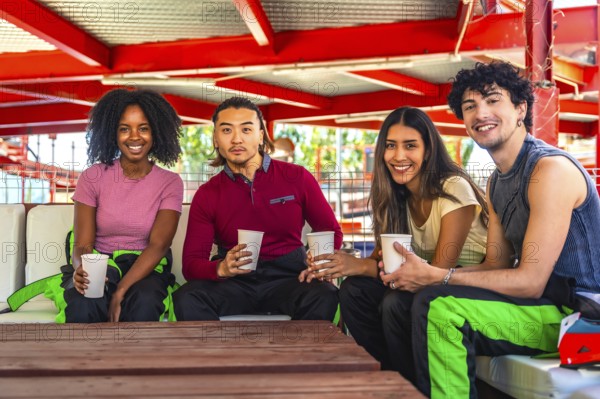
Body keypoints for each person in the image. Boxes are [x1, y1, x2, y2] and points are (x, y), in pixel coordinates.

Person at [382, 61, 600, 398]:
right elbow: (496, 265)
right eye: (470, 106)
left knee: (440, 305)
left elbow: (529, 281)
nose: (481, 113)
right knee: (410, 300)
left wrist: (437, 276)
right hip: (542, 308)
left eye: (493, 100)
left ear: (520, 108)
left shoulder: (549, 170)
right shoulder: (497, 181)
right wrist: (427, 274)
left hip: (580, 318)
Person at [305, 106, 488, 369]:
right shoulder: (395, 195)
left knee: (395, 303)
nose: (398, 155)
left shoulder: (452, 187)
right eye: (391, 146)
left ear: (428, 151)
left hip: (464, 284)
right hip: (426, 283)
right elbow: (383, 263)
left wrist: (361, 265)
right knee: (354, 290)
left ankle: (407, 384)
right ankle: (387, 372)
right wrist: (344, 263)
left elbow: (437, 272)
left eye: (410, 145)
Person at [173, 96, 342, 321]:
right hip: (234, 284)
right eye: (226, 130)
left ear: (260, 136)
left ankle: (303, 356)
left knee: (325, 294)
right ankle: (216, 357)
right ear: (215, 139)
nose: (236, 139)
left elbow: (331, 231)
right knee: (187, 297)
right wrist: (221, 269)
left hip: (291, 279)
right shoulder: (207, 194)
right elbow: (192, 264)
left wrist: (319, 265)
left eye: (246, 129)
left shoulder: (297, 177)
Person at [68, 88, 183, 323]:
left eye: (143, 128)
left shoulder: (170, 183)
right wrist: (81, 269)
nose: (134, 137)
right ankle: (85, 361)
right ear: (112, 133)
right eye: (124, 128)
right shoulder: (93, 177)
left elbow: (159, 245)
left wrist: (120, 291)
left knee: (145, 302)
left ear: (156, 132)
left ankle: (137, 361)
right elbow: (82, 244)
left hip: (145, 268)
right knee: (85, 302)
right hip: (101, 262)